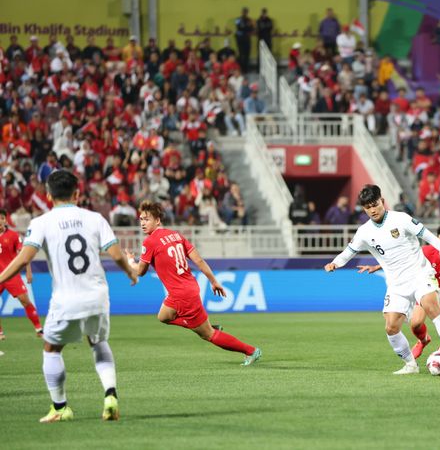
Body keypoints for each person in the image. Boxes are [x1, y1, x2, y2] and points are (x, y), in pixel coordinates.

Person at [0, 170, 138, 422]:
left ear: (49, 195)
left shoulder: (41, 222)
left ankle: (61, 407)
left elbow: (24, 258)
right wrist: (130, 272)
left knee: (51, 349)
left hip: (66, 298)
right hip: (98, 295)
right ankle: (110, 394)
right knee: (97, 342)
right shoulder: (95, 218)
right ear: (77, 192)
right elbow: (117, 254)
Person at [324, 185, 440, 374]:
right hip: (396, 284)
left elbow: (431, 239)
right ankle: (411, 365)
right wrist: (335, 263)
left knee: (430, 306)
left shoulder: (401, 219)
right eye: (368, 207)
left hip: (420, 275)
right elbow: (349, 252)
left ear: (382, 201)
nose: (373, 210)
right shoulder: (364, 232)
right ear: (364, 209)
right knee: (391, 327)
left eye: (375, 204)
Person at [125, 201, 261, 365]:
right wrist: (213, 281)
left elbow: (140, 271)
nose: (142, 223)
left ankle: (251, 350)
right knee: (163, 316)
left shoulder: (149, 242)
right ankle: (202, 325)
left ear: (158, 220)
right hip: (189, 287)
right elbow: (199, 260)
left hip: (181, 294)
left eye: (146, 219)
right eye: (140, 219)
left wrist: (130, 261)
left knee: (208, 335)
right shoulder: (176, 236)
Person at [359, 224, 440, 358]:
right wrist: (377, 267)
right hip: (427, 291)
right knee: (416, 324)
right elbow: (402, 260)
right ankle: (423, 340)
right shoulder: (427, 251)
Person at [0, 209, 42, 340]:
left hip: (11, 274)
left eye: (1, 219)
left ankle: (39, 329)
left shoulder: (13, 235)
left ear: (5, 220)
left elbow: (23, 254)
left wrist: (28, 272)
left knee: (25, 300)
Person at [234, 7, 254, 73]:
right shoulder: (238, 19)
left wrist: (248, 26)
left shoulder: (249, 20)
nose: (245, 13)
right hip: (240, 39)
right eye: (244, 12)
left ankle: (246, 69)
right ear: (242, 12)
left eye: (246, 12)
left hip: (247, 39)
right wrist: (247, 27)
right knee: (241, 54)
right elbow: (239, 26)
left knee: (247, 54)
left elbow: (251, 28)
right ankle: (240, 68)